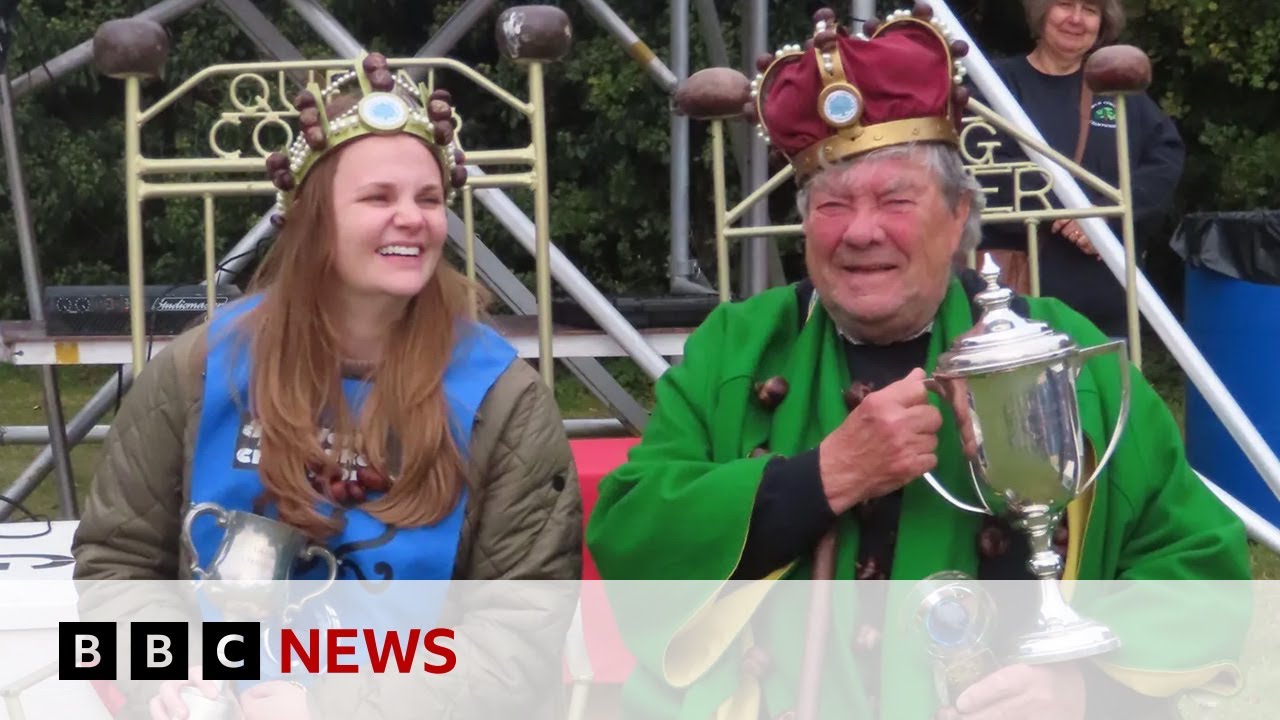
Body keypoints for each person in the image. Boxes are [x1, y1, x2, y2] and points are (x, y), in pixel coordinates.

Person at [585, 5, 1249, 720]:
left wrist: (1091, 686)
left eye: (895, 199)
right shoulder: (737, 348)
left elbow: (1200, 569)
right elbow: (632, 535)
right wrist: (822, 477)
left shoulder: (1061, 353)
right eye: (832, 205)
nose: (861, 231)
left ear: (960, 214)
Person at [71, 53, 582, 719]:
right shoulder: (200, 370)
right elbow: (116, 562)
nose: (413, 219)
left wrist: (335, 701)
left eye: (428, 199)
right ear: (315, 220)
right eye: (378, 197)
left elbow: (519, 635)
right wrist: (165, 673)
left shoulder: (503, 401)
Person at [977, 0, 1185, 337]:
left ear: (1102, 23)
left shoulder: (1115, 90)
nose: (1076, 19)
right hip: (1021, 308)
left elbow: (1165, 158)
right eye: (1064, 5)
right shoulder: (996, 86)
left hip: (1107, 304)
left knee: (1112, 390)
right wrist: (1074, 210)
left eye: (1090, 10)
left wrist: (1102, 215)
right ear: (1042, 13)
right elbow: (984, 171)